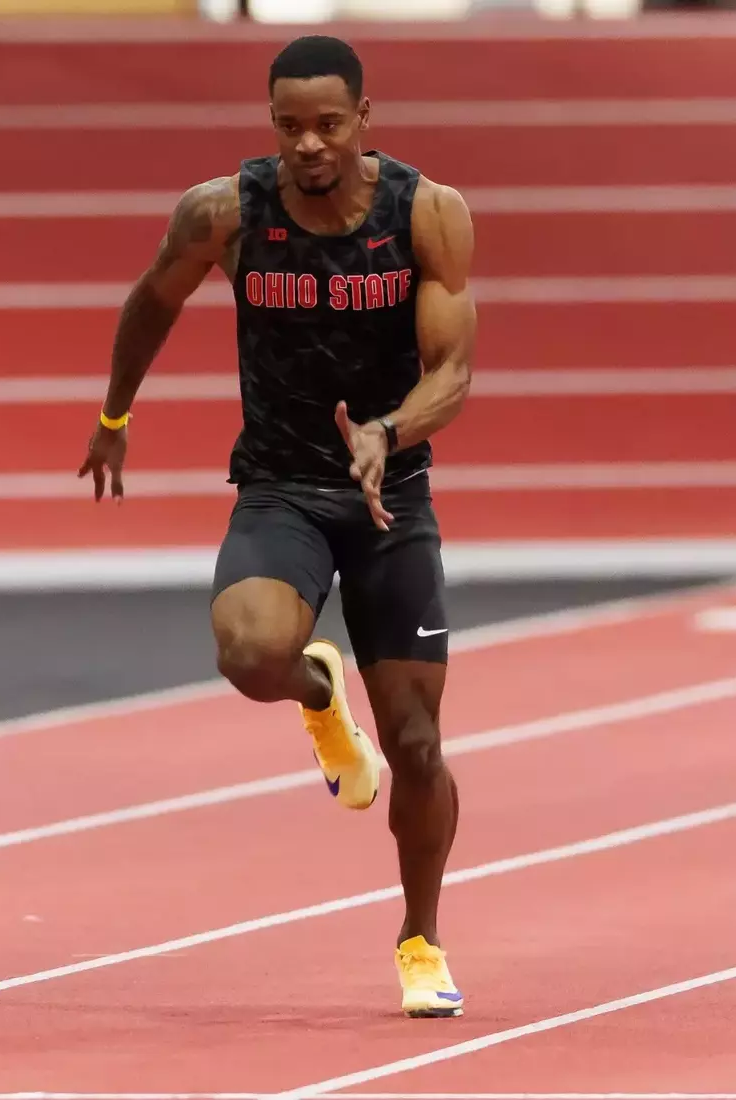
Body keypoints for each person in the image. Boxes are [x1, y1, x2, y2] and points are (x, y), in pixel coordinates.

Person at [78, 33, 475, 1019]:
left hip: (393, 494)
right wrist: (116, 413)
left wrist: (389, 430)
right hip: (282, 488)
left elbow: (453, 370)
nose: (308, 144)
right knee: (250, 653)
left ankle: (420, 936)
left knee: (418, 745)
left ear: (364, 119)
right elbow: (152, 298)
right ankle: (314, 686)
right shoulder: (228, 214)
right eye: (289, 126)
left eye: (328, 125)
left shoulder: (425, 213)